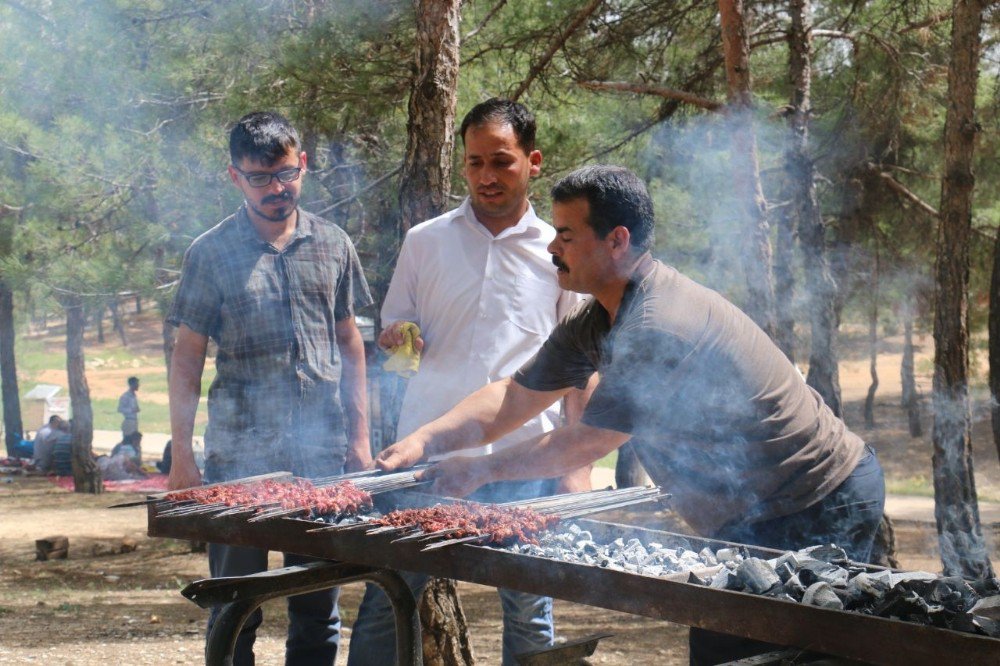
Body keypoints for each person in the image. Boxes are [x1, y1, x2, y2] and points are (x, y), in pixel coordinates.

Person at [375, 165, 886, 666]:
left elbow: (587, 441)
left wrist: (482, 468)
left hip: (817, 499)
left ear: (616, 240)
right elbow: (516, 394)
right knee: (722, 648)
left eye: (567, 235)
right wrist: (425, 440)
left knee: (772, 655)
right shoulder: (597, 318)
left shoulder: (656, 326)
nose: (552, 248)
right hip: (756, 512)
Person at [348, 99, 594, 666]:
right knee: (390, 593)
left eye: (501, 161)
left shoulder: (559, 250)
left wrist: (575, 466)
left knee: (530, 607)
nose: (487, 176)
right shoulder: (425, 240)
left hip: (523, 456)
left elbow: (582, 366)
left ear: (532, 162)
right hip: (425, 452)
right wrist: (398, 337)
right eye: (475, 162)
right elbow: (396, 327)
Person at [167, 111, 373, 666]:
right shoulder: (209, 253)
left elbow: (350, 344)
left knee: (317, 610)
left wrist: (360, 441)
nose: (277, 189)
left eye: (286, 174)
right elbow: (188, 358)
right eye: (260, 178)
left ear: (302, 163)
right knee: (235, 606)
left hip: (322, 458)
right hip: (240, 460)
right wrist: (183, 455)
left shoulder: (333, 244)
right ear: (235, 177)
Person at [117, 376, 140, 441]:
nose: (138, 385)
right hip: (128, 421)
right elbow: (120, 409)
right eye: (136, 384)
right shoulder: (126, 396)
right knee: (128, 440)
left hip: (134, 421)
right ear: (132, 384)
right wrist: (131, 410)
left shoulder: (134, 396)